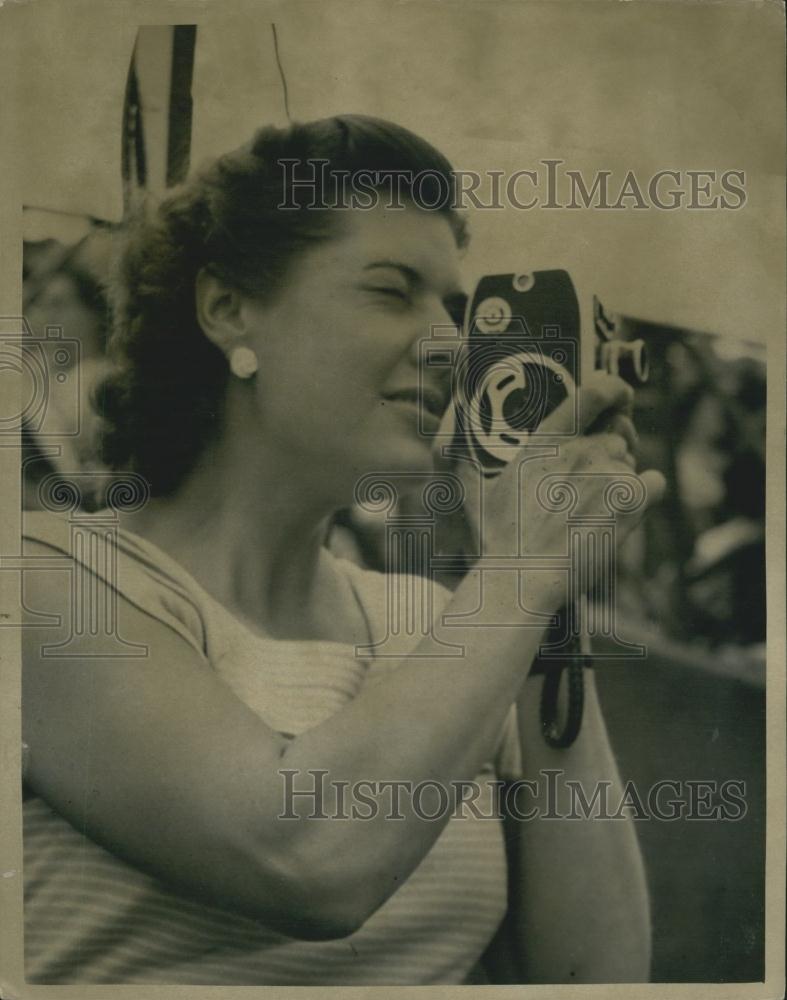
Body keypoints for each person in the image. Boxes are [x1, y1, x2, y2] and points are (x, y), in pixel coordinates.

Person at [20, 115, 665, 985]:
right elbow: (306, 857)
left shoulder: (444, 626)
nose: (448, 342)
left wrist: (547, 593)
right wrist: (520, 575)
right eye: (392, 291)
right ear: (227, 310)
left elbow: (597, 974)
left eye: (455, 307)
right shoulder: (48, 586)